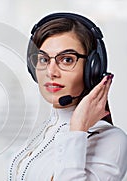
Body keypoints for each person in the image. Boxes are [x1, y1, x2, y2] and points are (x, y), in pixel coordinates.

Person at [9, 12, 127, 180]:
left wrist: (78, 128)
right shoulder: (45, 129)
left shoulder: (112, 140)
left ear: (92, 69)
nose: (51, 72)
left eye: (67, 60)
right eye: (43, 59)